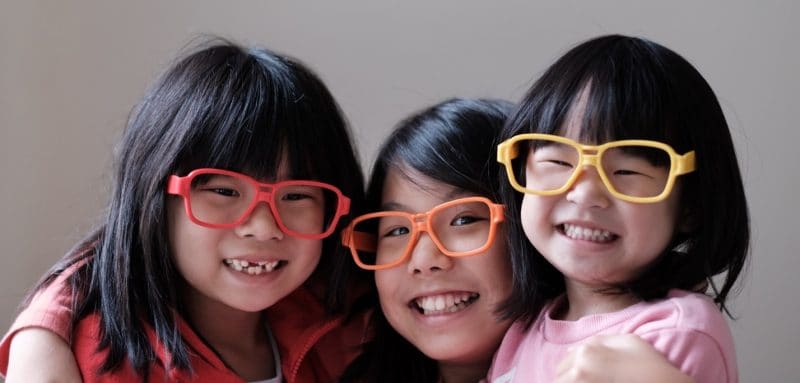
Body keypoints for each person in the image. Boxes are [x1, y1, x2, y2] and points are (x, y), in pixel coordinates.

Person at [0, 40, 369, 382]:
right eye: (223, 190)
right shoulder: (101, 361)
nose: (263, 227)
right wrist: (43, 327)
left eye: (297, 196)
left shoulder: (345, 325)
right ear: (155, 195)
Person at [339, 98, 695, 383]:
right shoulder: (341, 367)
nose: (424, 258)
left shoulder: (635, 356)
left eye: (465, 219)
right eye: (397, 230)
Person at [488, 34, 748, 383]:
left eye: (626, 171)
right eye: (558, 161)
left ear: (690, 206)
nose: (585, 194)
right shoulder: (522, 330)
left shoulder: (677, 331)